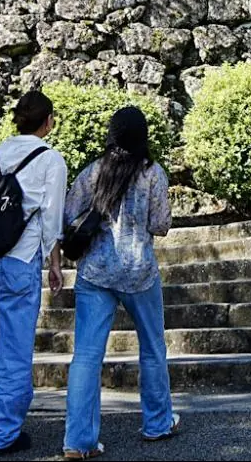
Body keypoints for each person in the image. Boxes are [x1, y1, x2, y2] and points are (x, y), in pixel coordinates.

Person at [61, 105, 177, 459]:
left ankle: (78, 442)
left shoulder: (94, 172)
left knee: (86, 356)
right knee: (153, 348)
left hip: (95, 273)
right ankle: (157, 424)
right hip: (139, 272)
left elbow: (67, 214)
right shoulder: (152, 174)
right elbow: (161, 224)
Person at [0, 89, 67, 456]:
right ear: (47, 120)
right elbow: (52, 219)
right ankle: (3, 433)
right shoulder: (50, 160)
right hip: (17, 263)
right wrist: (54, 263)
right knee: (15, 350)